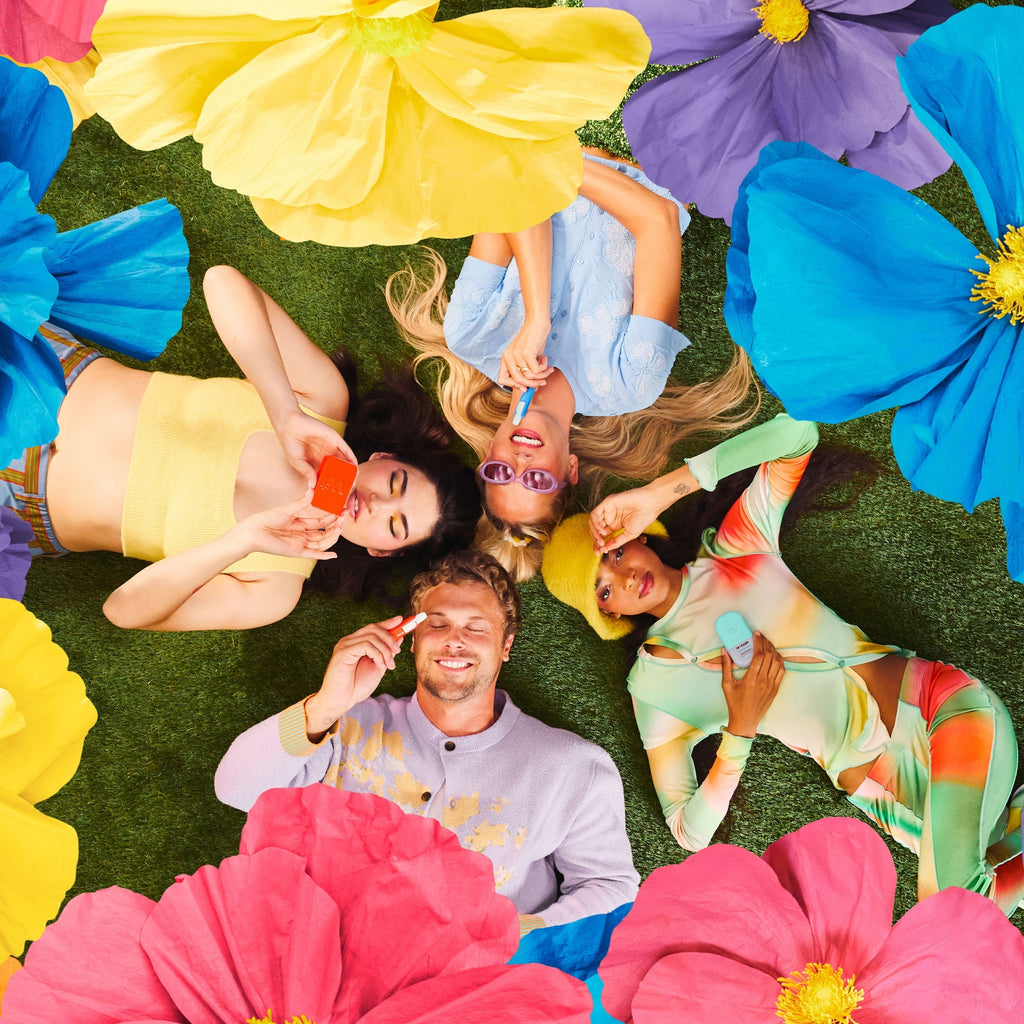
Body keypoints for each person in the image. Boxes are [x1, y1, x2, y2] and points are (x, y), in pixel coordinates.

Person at [541, 414, 1024, 915]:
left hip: (945, 712)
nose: (622, 577)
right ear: (609, 613)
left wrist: (659, 493)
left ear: (641, 536)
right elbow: (687, 831)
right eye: (603, 588)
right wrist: (741, 729)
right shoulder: (654, 689)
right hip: (900, 800)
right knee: (972, 889)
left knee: (956, 908)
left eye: (616, 553)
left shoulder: (735, 549)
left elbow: (798, 435)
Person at [1, 266, 480, 630]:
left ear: (382, 552)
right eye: (395, 484)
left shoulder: (274, 587)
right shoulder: (321, 403)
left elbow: (123, 611)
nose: (375, 504)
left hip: (18, 500)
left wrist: (243, 540)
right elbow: (222, 281)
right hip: (38, 370)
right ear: (384, 459)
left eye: (394, 525)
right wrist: (284, 412)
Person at [215, 549, 640, 931]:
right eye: (437, 624)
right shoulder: (346, 725)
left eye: (476, 627)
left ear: (506, 645)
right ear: (413, 638)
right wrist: (326, 704)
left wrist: (520, 934)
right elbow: (235, 789)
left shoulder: (572, 767)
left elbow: (611, 888)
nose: (455, 639)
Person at [388, 149, 755, 580]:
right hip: (658, 160)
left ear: (490, 452)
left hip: (558, 132)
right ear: (570, 469)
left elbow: (507, 186)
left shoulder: (471, 336)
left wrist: (535, 317)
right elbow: (658, 220)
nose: (521, 463)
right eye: (538, 481)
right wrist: (546, 162)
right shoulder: (630, 384)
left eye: (501, 472)